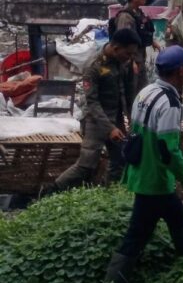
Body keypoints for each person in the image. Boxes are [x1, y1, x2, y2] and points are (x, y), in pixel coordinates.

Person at [102, 46, 183, 283]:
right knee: (136, 237)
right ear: (181, 70)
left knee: (176, 220)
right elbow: (168, 149)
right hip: (155, 181)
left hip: (143, 174)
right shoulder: (170, 103)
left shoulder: (146, 92)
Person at [52, 29, 140, 191]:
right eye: (127, 54)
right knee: (86, 166)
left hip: (116, 119)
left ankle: (109, 196)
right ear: (116, 48)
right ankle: (51, 191)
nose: (130, 57)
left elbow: (127, 93)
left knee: (120, 160)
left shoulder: (123, 63)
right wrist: (110, 128)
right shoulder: (94, 66)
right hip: (94, 120)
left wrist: (130, 118)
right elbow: (92, 102)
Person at [114, 0, 159, 91]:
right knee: (132, 93)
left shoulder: (138, 13)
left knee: (143, 92)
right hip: (131, 63)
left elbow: (140, 31)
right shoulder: (125, 17)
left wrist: (152, 41)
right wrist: (131, 62)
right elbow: (123, 42)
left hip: (140, 60)